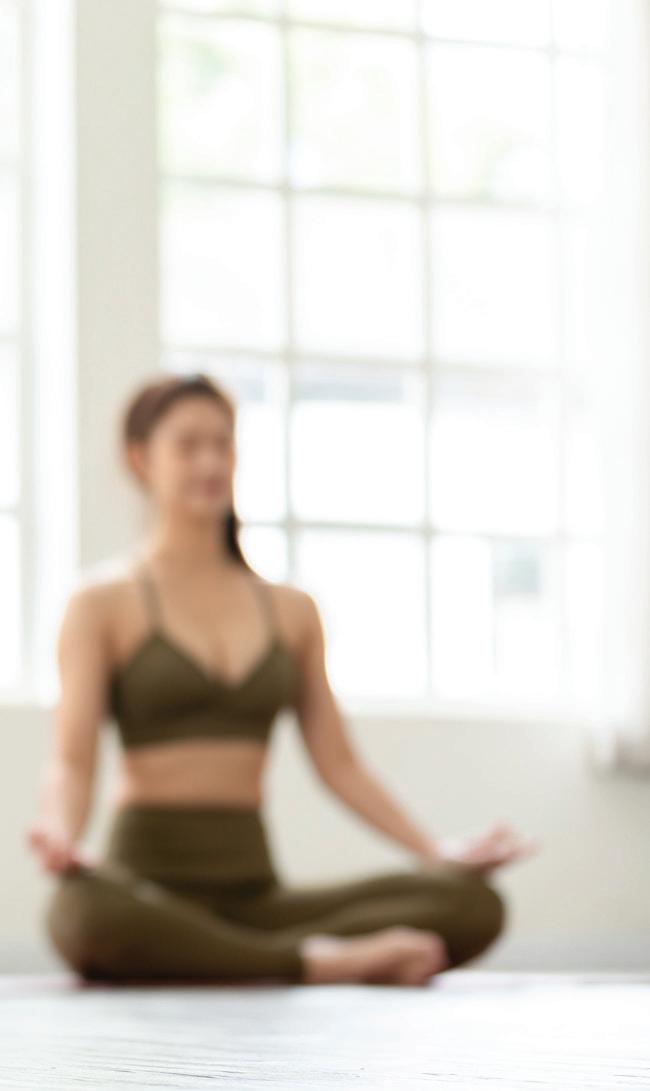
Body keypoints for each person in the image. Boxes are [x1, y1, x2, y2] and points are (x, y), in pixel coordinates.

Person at [27, 372, 538, 986]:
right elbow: (72, 761)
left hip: (258, 894)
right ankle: (317, 962)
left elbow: (340, 765)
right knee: (82, 915)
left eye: (224, 443)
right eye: (188, 445)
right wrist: (61, 834)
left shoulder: (291, 611)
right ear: (141, 459)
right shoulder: (100, 604)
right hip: (147, 890)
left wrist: (437, 853)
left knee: (471, 903)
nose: (211, 462)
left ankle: (246, 955)